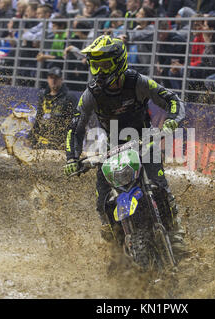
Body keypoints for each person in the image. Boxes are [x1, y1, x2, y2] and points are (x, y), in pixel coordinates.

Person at [63, 35, 186, 254]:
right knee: (103, 200)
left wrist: (169, 123)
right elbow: (75, 126)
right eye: (95, 66)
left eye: (104, 65)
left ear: (119, 62)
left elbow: (172, 100)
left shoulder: (137, 82)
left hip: (145, 142)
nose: (99, 72)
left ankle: (175, 234)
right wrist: (72, 158)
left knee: (159, 187)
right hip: (112, 150)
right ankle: (114, 243)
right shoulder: (92, 93)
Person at [28, 66, 79, 150]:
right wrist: (31, 138)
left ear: (61, 80)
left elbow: (74, 122)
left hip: (59, 144)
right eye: (51, 78)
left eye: (56, 78)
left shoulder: (69, 98)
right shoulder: (43, 96)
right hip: (41, 142)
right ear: (48, 79)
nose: (53, 81)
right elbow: (38, 119)